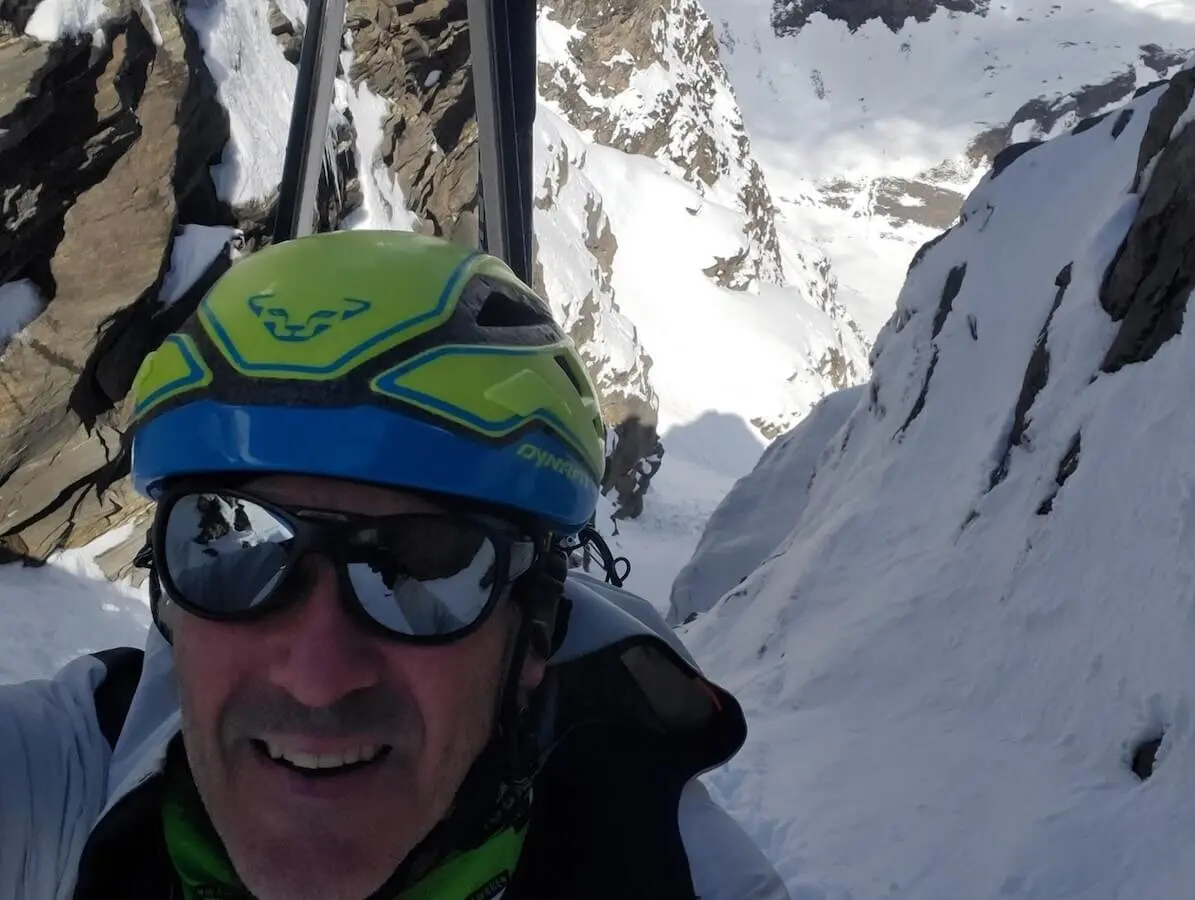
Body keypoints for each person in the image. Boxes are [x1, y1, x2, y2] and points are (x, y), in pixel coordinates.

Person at [0, 230, 790, 900]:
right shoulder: (63, 783)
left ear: (536, 633)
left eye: (428, 576)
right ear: (170, 602)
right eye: (236, 546)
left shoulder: (667, 872)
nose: (317, 675)